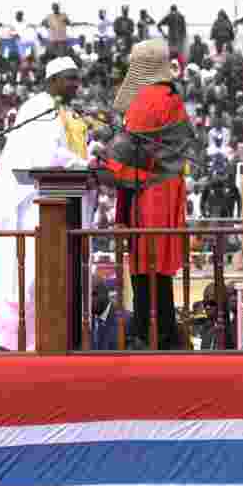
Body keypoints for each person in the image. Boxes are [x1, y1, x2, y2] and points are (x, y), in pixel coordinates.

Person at [0, 57, 92, 350]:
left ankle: (48, 340)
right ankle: (15, 343)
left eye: (77, 78)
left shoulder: (64, 111)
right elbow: (48, 156)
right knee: (25, 277)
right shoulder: (38, 108)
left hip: (51, 200)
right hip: (28, 202)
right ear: (53, 80)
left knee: (46, 275)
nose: (75, 84)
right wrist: (85, 165)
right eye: (69, 78)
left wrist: (87, 162)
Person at [102, 38, 195, 350]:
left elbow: (127, 153)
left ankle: (149, 331)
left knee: (146, 264)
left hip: (150, 191)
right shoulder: (172, 97)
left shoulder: (147, 100)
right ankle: (162, 330)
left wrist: (103, 160)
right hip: (165, 188)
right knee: (157, 268)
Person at [89, 278, 132, 351]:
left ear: (105, 294)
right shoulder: (89, 322)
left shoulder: (126, 319)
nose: (90, 300)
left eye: (94, 294)